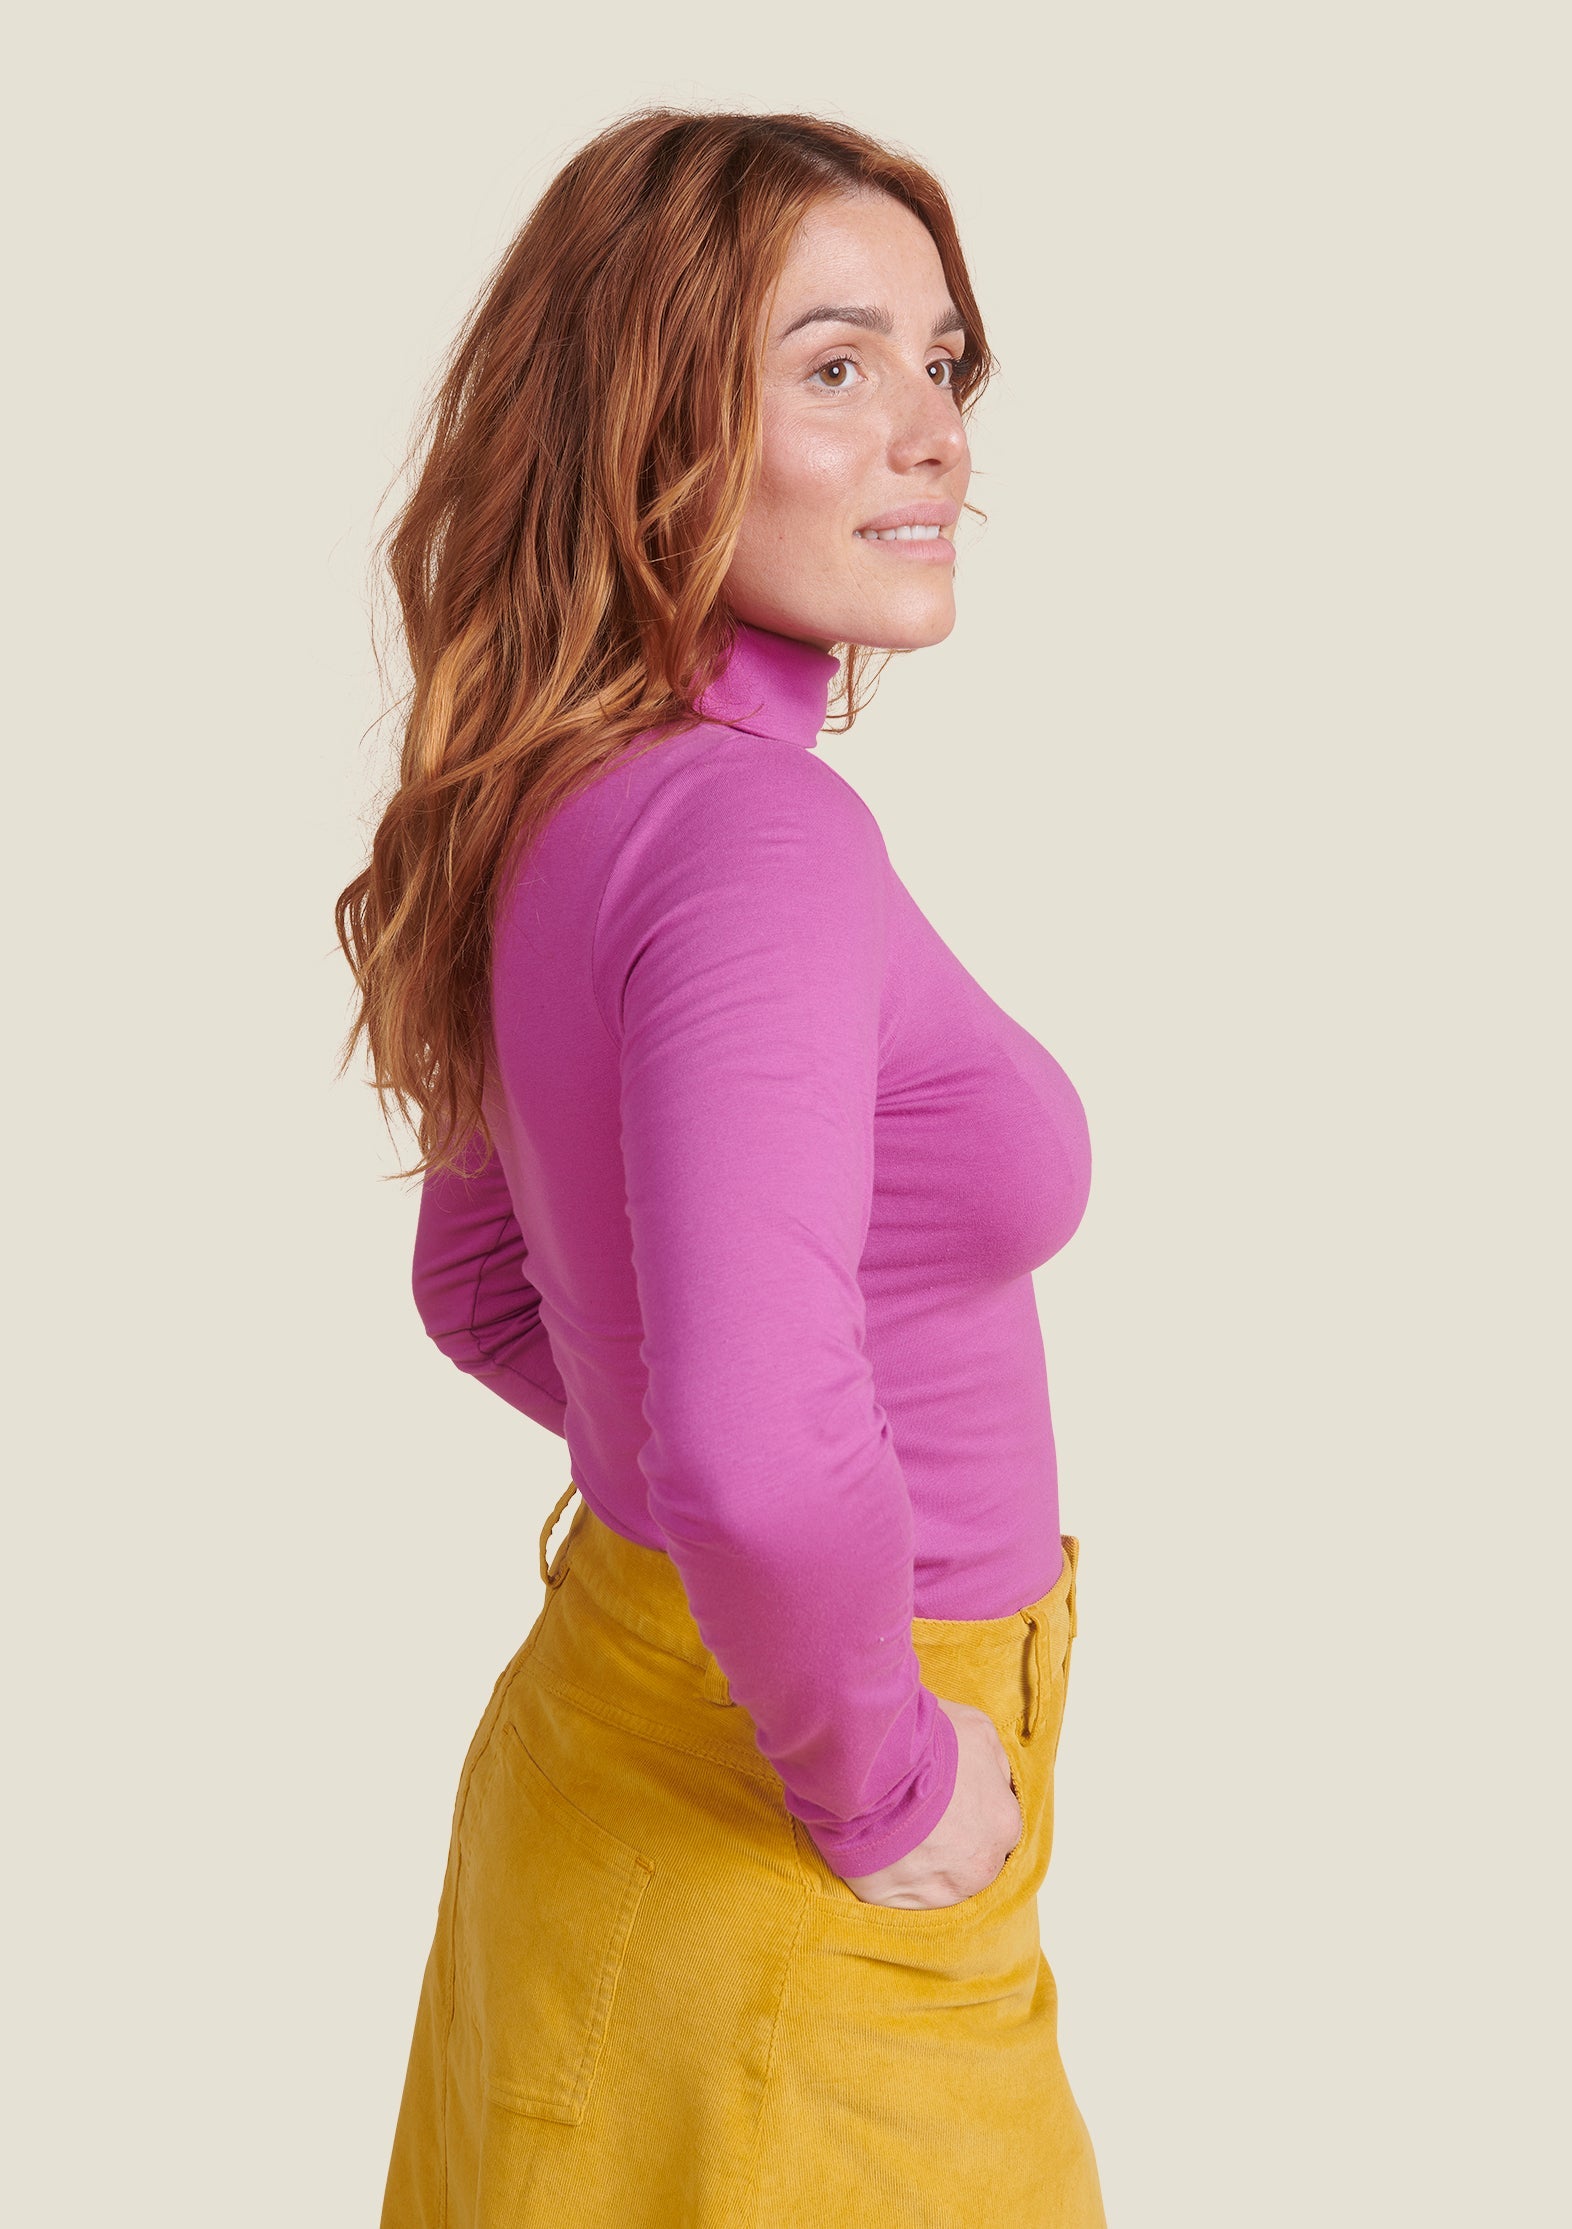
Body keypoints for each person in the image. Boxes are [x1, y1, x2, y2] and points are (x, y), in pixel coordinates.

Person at [336, 106, 1106, 2228]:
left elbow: (480, 1288)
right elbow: (760, 1447)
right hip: (794, 1849)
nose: (932, 431)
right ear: (651, 427)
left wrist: (711, 1549)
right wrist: (880, 1756)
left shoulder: (565, 796)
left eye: (941, 361)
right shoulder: (761, 838)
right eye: (835, 366)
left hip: (618, 1757)